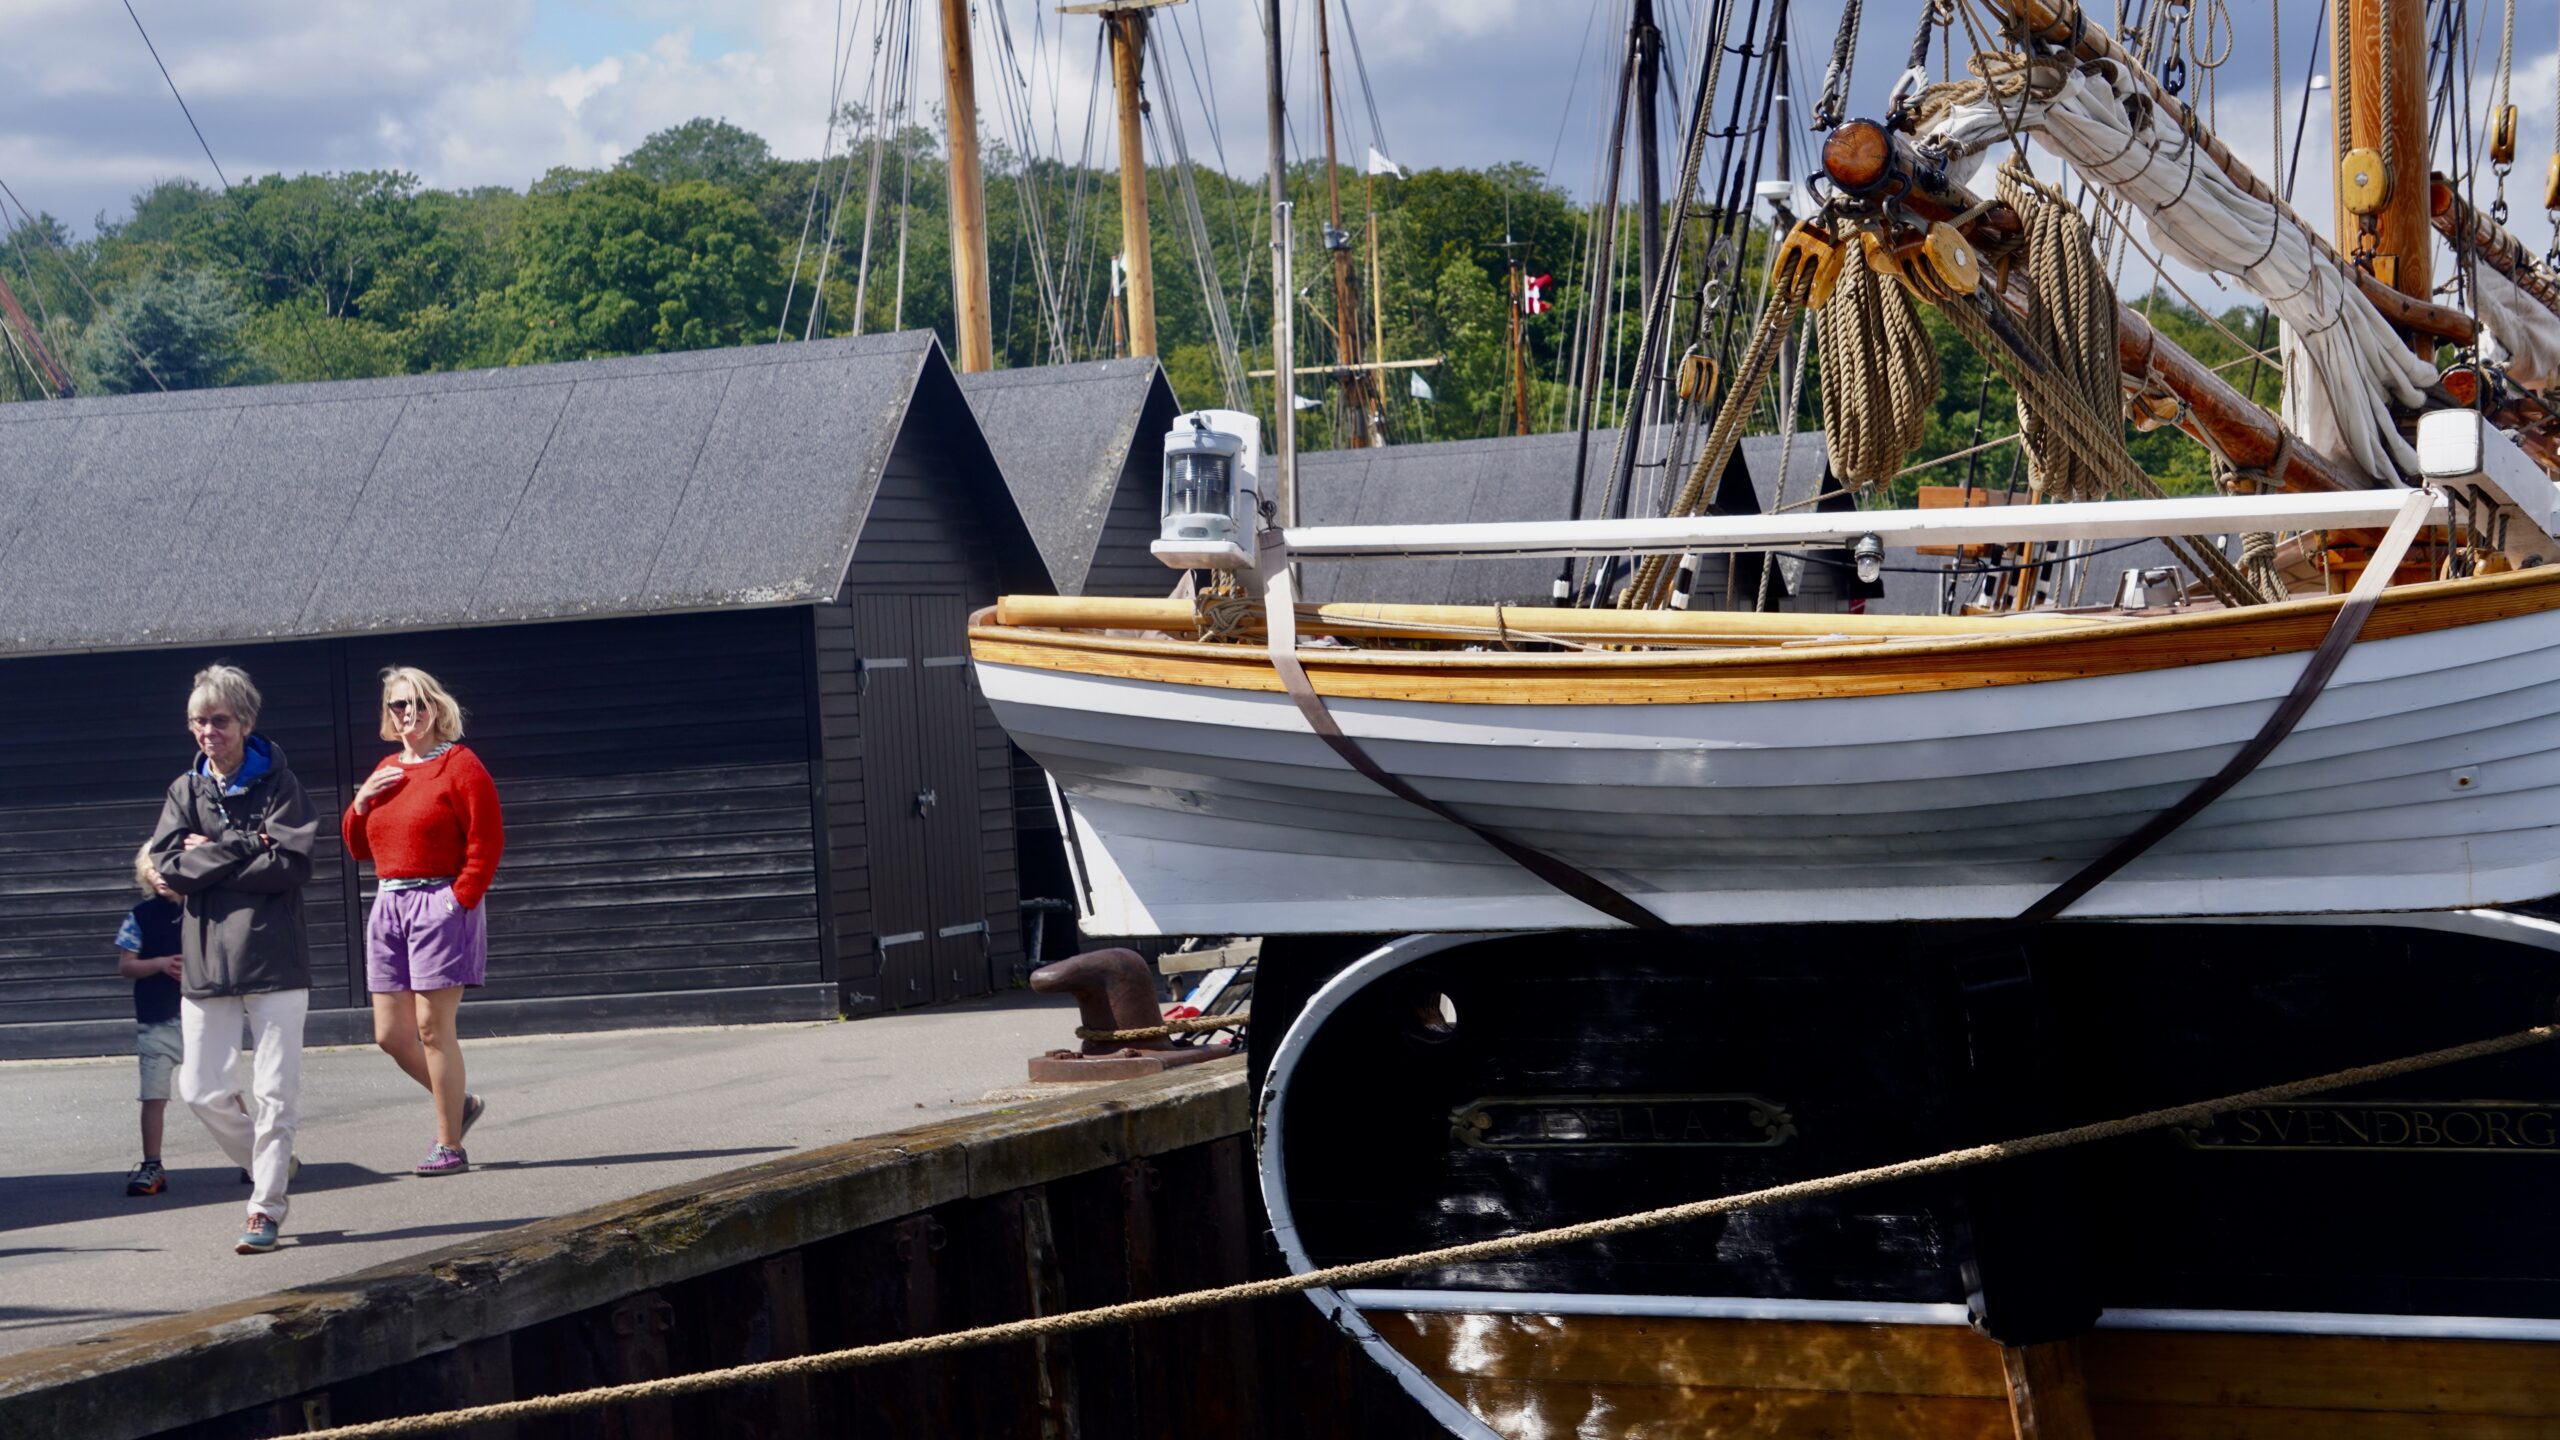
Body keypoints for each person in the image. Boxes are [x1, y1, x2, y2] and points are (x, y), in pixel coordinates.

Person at [146, 663, 317, 1255]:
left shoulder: (282, 785)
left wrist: (213, 853)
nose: (207, 731)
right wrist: (247, 845)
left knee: (274, 1093)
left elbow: (291, 866)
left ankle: (264, 1208)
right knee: (199, 1089)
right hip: (206, 965)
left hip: (274, 961)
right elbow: (168, 870)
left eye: (219, 720)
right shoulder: (182, 791)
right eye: (198, 721)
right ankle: (273, 1162)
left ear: (245, 721)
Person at [344, 667, 503, 1177]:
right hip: (389, 903)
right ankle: (461, 1103)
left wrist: (459, 900)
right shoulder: (387, 769)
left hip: (439, 900)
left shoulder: (460, 765)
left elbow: (487, 840)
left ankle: (449, 1144)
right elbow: (359, 847)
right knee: (391, 1035)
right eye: (396, 705)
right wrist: (361, 802)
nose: (406, 713)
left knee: (434, 1029)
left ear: (436, 706)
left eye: (415, 702)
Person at [113, 844, 185, 1197]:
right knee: (153, 1096)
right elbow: (126, 965)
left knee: (223, 1091)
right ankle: (152, 1164)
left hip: (200, 1017)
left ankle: (252, 1158)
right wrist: (158, 964)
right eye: (151, 870)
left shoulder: (204, 909)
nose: (158, 876)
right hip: (155, 1020)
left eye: (165, 869)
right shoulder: (140, 915)